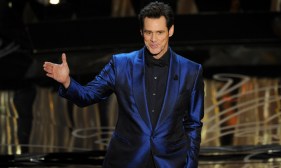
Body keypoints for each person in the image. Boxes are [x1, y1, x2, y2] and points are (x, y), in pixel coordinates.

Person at [43, 2, 204, 168]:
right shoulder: (120, 65)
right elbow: (87, 95)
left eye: (159, 32)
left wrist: (190, 165)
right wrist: (67, 81)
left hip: (171, 163)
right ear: (141, 32)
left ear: (171, 31)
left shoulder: (191, 71)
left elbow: (193, 124)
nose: (154, 39)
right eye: (148, 32)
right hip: (127, 161)